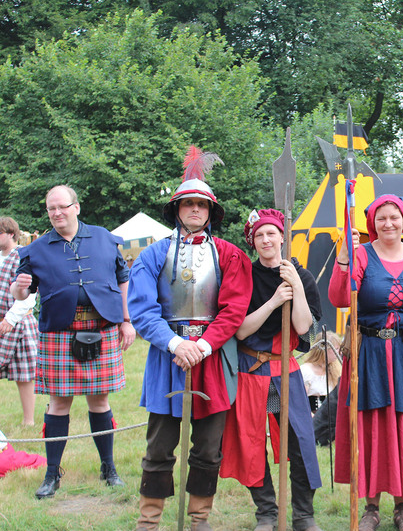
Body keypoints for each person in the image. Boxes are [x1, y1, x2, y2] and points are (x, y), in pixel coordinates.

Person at [128, 146, 252, 531]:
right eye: (188, 204)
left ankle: (200, 519)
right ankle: (149, 521)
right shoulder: (152, 256)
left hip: (211, 359)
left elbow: (233, 308)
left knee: (208, 450)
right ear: (177, 209)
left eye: (201, 205)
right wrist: (175, 344)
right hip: (168, 358)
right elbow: (142, 309)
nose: (195, 210)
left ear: (210, 211)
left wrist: (202, 345)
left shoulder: (229, 255)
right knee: (159, 447)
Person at [329, 194, 403, 531]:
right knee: (372, 426)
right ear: (372, 224)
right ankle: (370, 507)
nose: (388, 223)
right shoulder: (361, 254)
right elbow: (339, 298)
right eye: (381, 218)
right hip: (370, 354)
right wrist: (343, 258)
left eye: (394, 217)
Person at [11, 185, 135, 498]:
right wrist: (20, 289)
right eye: (51, 209)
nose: (57, 213)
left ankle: (109, 468)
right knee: (58, 403)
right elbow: (22, 293)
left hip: (102, 327)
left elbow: (123, 279)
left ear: (76, 207)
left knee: (100, 401)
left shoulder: (104, 238)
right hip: (59, 332)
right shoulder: (36, 249)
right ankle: (52, 474)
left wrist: (126, 320)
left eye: (62, 207)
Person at [219, 208, 324, 531]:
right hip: (250, 369)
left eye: (271, 234)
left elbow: (303, 327)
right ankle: (266, 513)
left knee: (300, 442)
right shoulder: (244, 276)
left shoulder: (301, 275)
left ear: (282, 237)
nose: (266, 240)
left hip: (283, 370)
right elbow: (240, 331)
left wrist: (296, 286)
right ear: (252, 241)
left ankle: (303, 516)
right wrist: (276, 300)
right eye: (259, 235)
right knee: (250, 445)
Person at [0, 217, 38, 426]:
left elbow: (30, 293)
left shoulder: (23, 256)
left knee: (24, 374)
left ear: (11, 234)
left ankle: (28, 421)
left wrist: (11, 318)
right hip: (1, 322)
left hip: (20, 322)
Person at [301, 332, 342, 414]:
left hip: (330, 418)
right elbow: (301, 403)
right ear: (324, 349)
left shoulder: (336, 370)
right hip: (310, 418)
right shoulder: (306, 371)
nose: (339, 353)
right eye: (336, 348)